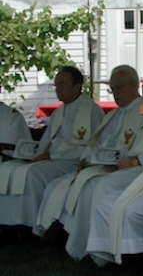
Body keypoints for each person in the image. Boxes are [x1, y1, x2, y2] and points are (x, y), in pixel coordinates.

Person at [62, 53, 143, 261]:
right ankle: (89, 244)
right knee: (92, 183)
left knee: (104, 185)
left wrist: (134, 160)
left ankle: (105, 250)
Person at [35, 64, 143, 257]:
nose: (115, 93)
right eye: (112, 89)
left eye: (119, 87)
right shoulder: (114, 114)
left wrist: (121, 162)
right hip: (99, 165)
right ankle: (62, 235)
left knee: (87, 188)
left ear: (134, 85)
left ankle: (83, 244)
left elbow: (142, 148)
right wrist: (85, 158)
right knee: (58, 186)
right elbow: (95, 142)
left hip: (122, 169)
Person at [0, 66, 104, 243]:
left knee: (32, 175)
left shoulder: (92, 112)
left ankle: (32, 227)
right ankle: (9, 224)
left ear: (77, 87)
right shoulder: (58, 112)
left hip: (70, 163)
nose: (57, 89)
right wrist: (33, 154)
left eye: (62, 84)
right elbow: (45, 142)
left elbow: (91, 147)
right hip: (50, 159)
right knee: (7, 169)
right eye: (56, 85)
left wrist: (51, 156)